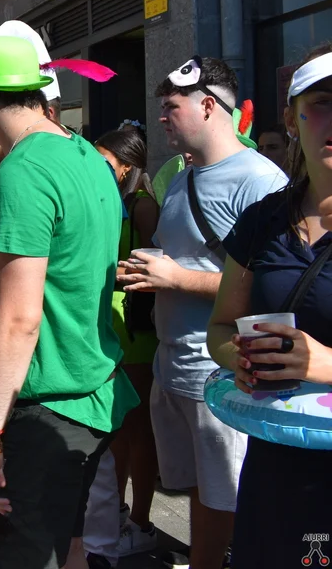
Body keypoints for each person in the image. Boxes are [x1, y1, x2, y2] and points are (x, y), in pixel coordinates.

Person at [0, 36, 138, 568]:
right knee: (71, 546)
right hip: (92, 390)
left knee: (26, 554)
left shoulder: (23, 171)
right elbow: (66, 269)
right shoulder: (85, 154)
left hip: (45, 403)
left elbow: (20, 320)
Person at [117, 56, 286, 569]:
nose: (161, 117)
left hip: (221, 374)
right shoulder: (180, 178)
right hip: (174, 367)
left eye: (171, 106)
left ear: (208, 106)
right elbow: (184, 259)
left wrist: (177, 279)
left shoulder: (261, 180)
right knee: (199, 490)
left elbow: (273, 289)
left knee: (225, 496)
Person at [205, 44, 332, 567]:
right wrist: (241, 358)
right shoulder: (264, 219)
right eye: (322, 103)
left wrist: (323, 362)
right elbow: (220, 328)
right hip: (276, 462)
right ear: (292, 117)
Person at [90, 128, 161, 562]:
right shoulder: (105, 200)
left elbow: (156, 263)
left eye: (105, 161)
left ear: (127, 167)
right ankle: (116, 509)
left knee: (137, 430)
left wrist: (116, 270)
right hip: (107, 321)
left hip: (133, 326)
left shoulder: (142, 205)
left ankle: (141, 520)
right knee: (114, 426)